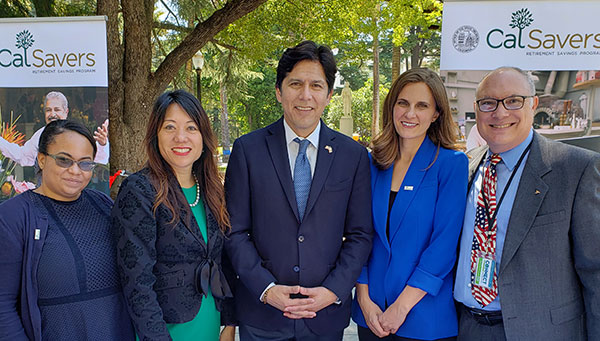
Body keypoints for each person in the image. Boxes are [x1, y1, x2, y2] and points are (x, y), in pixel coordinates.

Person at [224, 40, 373, 340]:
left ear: (329, 95)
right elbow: (234, 231)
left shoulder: (352, 156)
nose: (305, 95)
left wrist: (333, 290)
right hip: (262, 314)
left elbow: (360, 234)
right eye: (295, 84)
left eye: (316, 85)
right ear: (279, 91)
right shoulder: (247, 150)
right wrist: (267, 290)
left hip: (325, 317)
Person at [454, 67, 600, 340]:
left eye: (513, 101)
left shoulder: (575, 169)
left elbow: (596, 270)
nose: (500, 113)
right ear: (477, 109)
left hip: (542, 331)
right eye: (488, 103)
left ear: (533, 104)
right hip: (468, 327)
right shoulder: (466, 164)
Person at [351, 68, 468, 340]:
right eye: (403, 103)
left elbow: (444, 245)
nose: (410, 113)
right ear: (392, 106)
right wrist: (365, 300)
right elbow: (358, 234)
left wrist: (401, 308)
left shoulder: (451, 164)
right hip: (372, 314)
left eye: (422, 105)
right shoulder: (372, 163)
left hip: (423, 316)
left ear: (436, 113)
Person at [111, 90, 235, 340]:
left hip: (209, 323)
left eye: (191, 128)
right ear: (155, 135)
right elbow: (137, 282)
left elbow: (222, 263)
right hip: (165, 330)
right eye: (169, 127)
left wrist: (229, 323)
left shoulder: (212, 189)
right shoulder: (140, 190)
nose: (181, 137)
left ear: (203, 138)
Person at [0, 119, 134, 340]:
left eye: (85, 163)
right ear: (42, 159)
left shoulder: (102, 205)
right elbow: (3, 305)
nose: (75, 171)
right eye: (64, 160)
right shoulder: (14, 217)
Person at [0, 91, 109, 166]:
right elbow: (22, 156)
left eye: (57, 110)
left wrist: (102, 144)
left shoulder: (77, 133)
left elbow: (98, 160)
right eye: (48, 110)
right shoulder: (40, 135)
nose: (52, 114)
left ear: (65, 112)